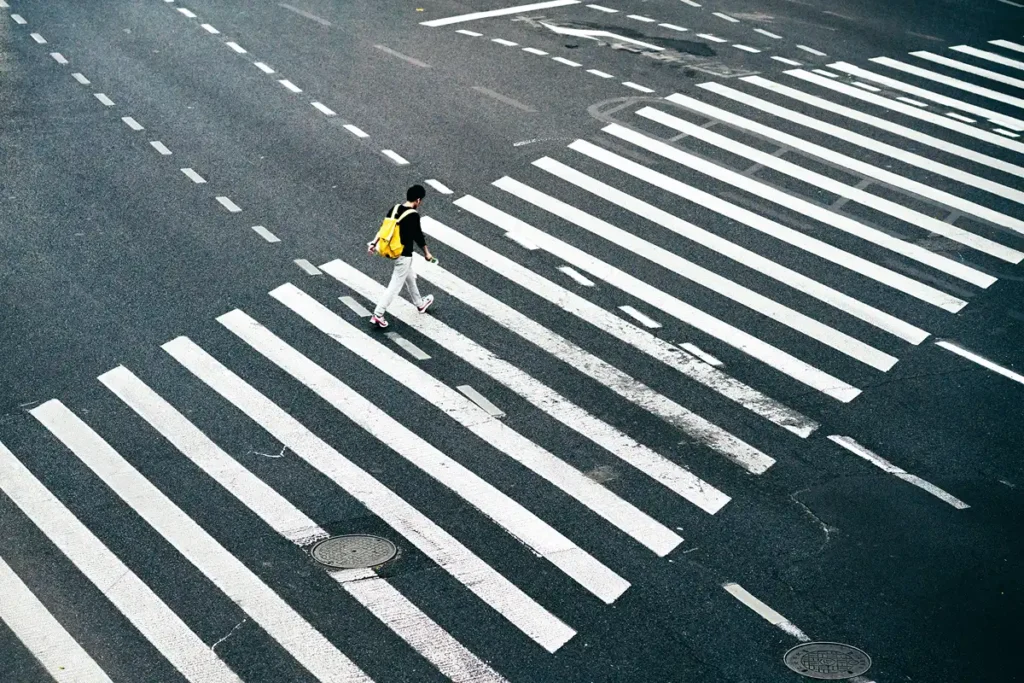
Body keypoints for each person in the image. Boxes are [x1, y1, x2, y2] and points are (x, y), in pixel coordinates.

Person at [367, 184, 435, 328]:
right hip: (403, 254)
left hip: (390, 249)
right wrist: (427, 253)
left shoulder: (395, 208)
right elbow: (418, 236)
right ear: (417, 200)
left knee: (409, 277)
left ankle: (420, 304)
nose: (420, 203)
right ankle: (378, 314)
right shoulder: (413, 215)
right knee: (395, 285)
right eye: (420, 200)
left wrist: (374, 243)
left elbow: (384, 228)